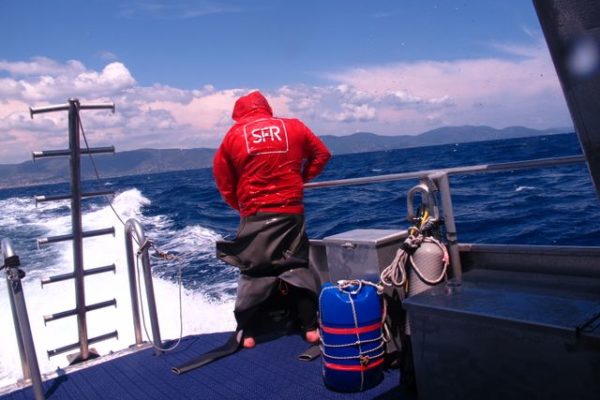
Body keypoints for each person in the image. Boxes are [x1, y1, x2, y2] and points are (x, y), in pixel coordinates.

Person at [213, 90, 331, 349]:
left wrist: (241, 206)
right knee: (296, 267)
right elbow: (322, 154)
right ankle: (311, 329)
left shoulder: (233, 136)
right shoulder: (294, 127)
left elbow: (223, 179)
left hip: (255, 212)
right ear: (266, 107)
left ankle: (249, 333)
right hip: (291, 211)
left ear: (239, 113)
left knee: (254, 271)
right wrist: (300, 180)